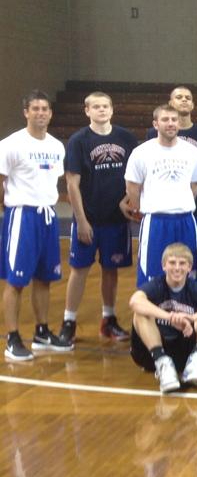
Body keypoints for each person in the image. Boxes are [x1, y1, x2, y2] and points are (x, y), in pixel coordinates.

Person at [0, 90, 73, 360]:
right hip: (22, 216)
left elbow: (52, 182)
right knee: (15, 280)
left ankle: (42, 331)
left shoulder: (56, 146)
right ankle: (12, 338)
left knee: (45, 278)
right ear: (26, 112)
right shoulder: (11, 144)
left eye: (45, 109)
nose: (41, 113)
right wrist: (9, 210)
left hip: (48, 216)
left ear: (50, 113)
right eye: (36, 109)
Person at [61, 91, 137, 343]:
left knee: (111, 270)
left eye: (105, 106)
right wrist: (81, 220)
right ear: (87, 111)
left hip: (116, 219)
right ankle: (69, 321)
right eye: (96, 106)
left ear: (112, 110)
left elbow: (135, 176)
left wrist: (128, 201)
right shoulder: (78, 140)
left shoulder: (126, 137)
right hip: (89, 218)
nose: (101, 110)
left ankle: (109, 319)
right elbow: (72, 183)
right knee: (79, 269)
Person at [128, 242, 197, 393]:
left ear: (189, 267)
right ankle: (162, 364)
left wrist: (192, 317)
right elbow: (134, 301)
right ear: (163, 266)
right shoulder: (156, 285)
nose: (177, 268)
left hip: (184, 351)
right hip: (152, 353)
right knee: (141, 312)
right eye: (172, 263)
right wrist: (170, 317)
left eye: (182, 263)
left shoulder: (195, 288)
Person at [125, 104, 197, 285]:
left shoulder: (191, 151)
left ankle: (186, 309)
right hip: (156, 220)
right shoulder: (142, 152)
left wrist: (180, 202)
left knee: (188, 271)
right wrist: (138, 207)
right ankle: (149, 312)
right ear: (155, 124)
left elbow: (195, 184)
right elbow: (132, 185)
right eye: (165, 120)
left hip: (185, 219)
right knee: (152, 271)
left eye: (174, 120)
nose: (170, 123)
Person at [148, 87, 197, 260]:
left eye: (188, 97)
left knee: (191, 259)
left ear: (192, 105)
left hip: (191, 205)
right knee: (159, 257)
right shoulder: (153, 134)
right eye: (179, 97)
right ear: (170, 103)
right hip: (161, 208)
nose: (184, 100)